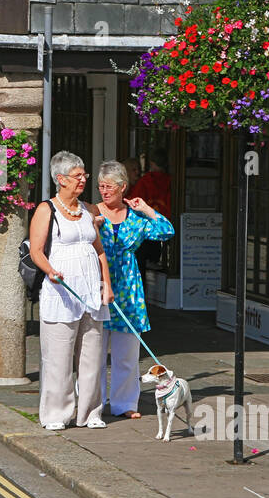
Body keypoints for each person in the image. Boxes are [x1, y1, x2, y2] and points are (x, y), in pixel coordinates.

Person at [29, 151, 114, 430]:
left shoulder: (90, 210)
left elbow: (99, 251)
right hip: (61, 292)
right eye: (78, 176)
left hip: (91, 291)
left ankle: (90, 413)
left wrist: (107, 286)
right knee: (58, 357)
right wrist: (50, 270)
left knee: (92, 356)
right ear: (60, 179)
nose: (83, 180)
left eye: (84, 175)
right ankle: (56, 414)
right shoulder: (46, 210)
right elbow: (36, 251)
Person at [94, 160, 175, 419]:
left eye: (109, 187)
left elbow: (166, 231)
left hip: (128, 289)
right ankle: (92, 405)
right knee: (93, 354)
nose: (104, 192)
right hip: (97, 286)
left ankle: (125, 404)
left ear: (123, 188)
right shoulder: (91, 213)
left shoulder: (136, 216)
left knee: (126, 355)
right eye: (101, 186)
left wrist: (148, 209)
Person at [128, 148, 172, 269]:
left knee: (141, 263)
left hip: (145, 229)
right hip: (164, 223)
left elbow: (134, 204)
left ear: (152, 163)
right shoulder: (171, 181)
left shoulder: (145, 181)